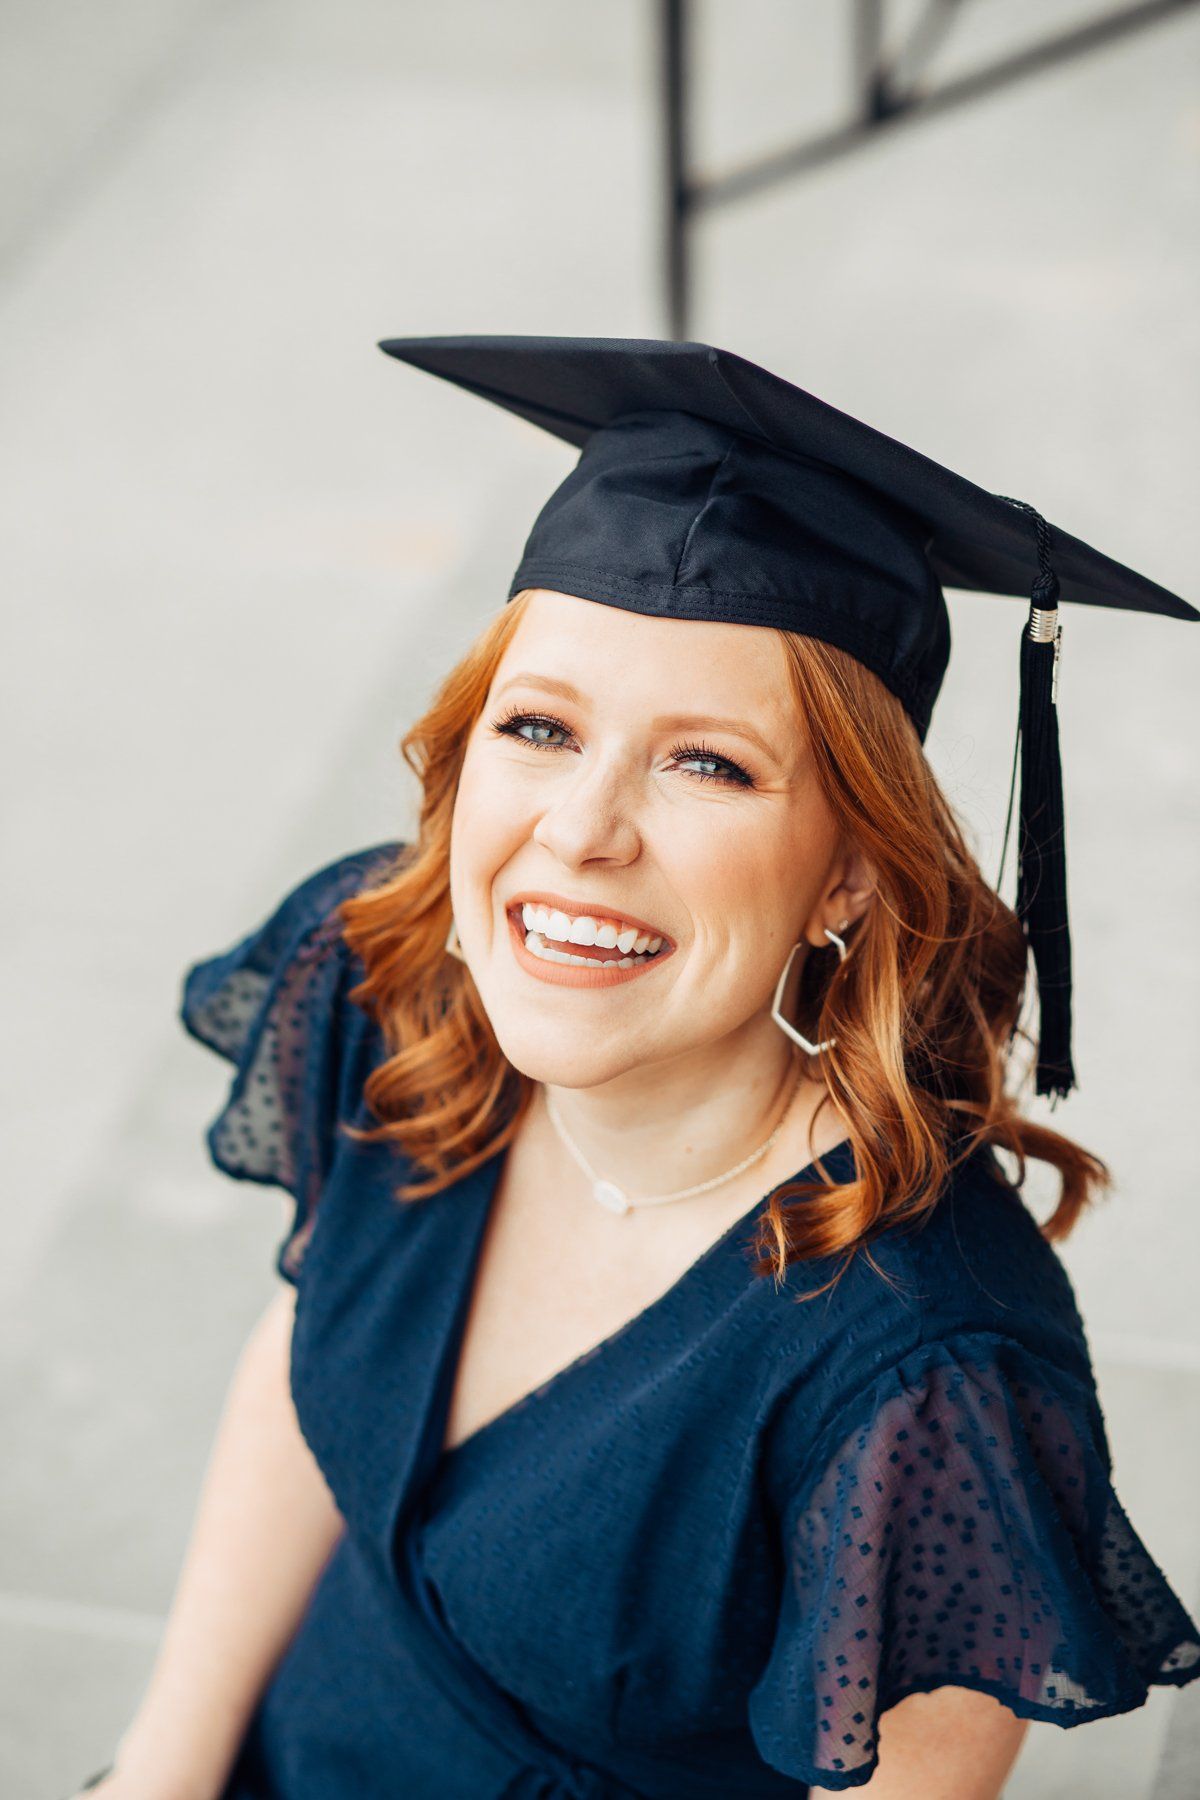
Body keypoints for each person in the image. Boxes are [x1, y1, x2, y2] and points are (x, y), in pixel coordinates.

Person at [69, 337, 1200, 1800]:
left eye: (707, 763)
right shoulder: (397, 994)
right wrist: (157, 1773)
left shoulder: (920, 1373)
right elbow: (312, 1368)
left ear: (850, 873)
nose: (581, 831)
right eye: (539, 728)